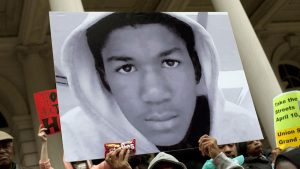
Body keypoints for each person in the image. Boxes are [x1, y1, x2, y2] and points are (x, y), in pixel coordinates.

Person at [58, 12, 262, 161]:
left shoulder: (242, 123)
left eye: (170, 62)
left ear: (197, 68)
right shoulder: (78, 134)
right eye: (126, 68)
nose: (154, 94)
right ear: (104, 79)